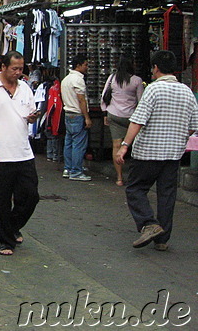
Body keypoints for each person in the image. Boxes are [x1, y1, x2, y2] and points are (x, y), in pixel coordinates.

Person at [116, 50, 198, 250]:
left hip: (148, 152)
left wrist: (124, 146)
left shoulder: (153, 89)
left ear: (156, 68)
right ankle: (162, 240)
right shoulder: (186, 91)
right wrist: (177, 136)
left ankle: (148, 223)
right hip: (173, 154)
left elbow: (138, 121)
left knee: (135, 188)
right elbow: (193, 124)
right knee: (167, 194)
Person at [0, 51, 40, 256]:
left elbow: (28, 114)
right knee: (1, 200)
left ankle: (11, 227)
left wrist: (32, 118)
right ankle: (6, 240)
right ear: (3, 67)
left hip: (23, 152)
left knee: (31, 196)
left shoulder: (25, 88)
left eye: (21, 69)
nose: (19, 73)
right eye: (15, 69)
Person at [100, 56, 144, 186]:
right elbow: (141, 101)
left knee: (116, 146)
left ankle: (119, 178)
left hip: (114, 115)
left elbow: (104, 96)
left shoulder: (113, 78)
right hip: (132, 118)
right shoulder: (137, 80)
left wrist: (104, 113)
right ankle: (134, 176)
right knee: (135, 147)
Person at [61, 54, 92, 181]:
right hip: (77, 114)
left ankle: (68, 168)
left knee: (69, 143)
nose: (87, 67)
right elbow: (81, 100)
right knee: (79, 144)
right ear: (78, 65)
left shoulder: (66, 79)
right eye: (85, 65)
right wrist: (87, 117)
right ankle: (76, 171)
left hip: (68, 113)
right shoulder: (78, 80)